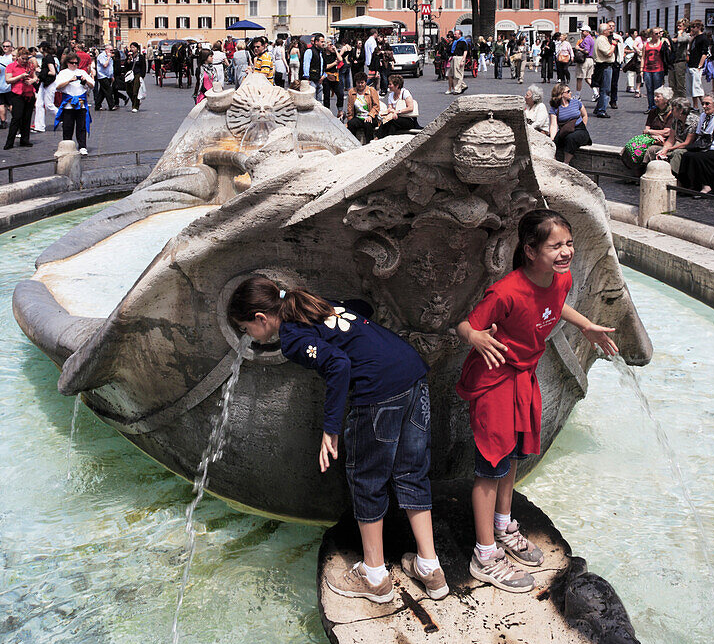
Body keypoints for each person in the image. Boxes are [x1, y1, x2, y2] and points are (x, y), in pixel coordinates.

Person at [229, 277, 447, 604]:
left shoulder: (291, 337)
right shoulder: (313, 304)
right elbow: (362, 309)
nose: (248, 336)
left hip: (379, 394)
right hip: (412, 374)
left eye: (246, 329)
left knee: (366, 479)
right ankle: (430, 568)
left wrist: (329, 428)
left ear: (261, 318)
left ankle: (374, 576)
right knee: (411, 472)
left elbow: (339, 364)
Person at [455, 209, 617, 592]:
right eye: (555, 245)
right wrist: (474, 337)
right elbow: (467, 324)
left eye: (569, 244)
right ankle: (485, 553)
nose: (565, 252)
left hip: (523, 378)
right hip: (495, 383)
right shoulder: (506, 291)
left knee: (513, 456)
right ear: (530, 250)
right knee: (491, 465)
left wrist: (586, 325)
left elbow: (553, 306)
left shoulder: (560, 279)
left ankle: (502, 524)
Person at [678, 92, 714, 195]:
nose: (704, 106)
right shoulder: (703, 116)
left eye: (707, 104)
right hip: (706, 146)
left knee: (699, 158)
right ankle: (688, 185)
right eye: (703, 103)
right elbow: (699, 134)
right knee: (687, 155)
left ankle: (706, 185)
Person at [622, 87, 674, 169]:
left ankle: (643, 170)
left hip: (664, 140)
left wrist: (650, 132)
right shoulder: (653, 111)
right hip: (652, 137)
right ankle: (633, 172)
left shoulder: (671, 113)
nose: (655, 98)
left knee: (650, 150)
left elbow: (667, 132)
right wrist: (652, 134)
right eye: (655, 96)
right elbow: (646, 128)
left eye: (658, 97)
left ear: (666, 99)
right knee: (631, 146)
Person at [54, 51, 94, 154]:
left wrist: (85, 81)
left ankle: (82, 146)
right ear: (67, 63)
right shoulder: (63, 73)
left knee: (81, 126)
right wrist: (70, 80)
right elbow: (58, 86)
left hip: (80, 103)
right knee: (68, 126)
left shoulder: (82, 72)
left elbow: (92, 85)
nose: (74, 65)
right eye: (72, 63)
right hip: (68, 104)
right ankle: (67, 146)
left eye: (76, 63)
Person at [654, 96, 699, 177]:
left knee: (677, 153)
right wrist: (664, 150)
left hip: (689, 147)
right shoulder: (676, 119)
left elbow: (687, 143)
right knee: (654, 150)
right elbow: (671, 139)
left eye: (673, 109)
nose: (671, 111)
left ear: (681, 111)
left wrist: (668, 149)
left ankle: (672, 178)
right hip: (677, 144)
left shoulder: (694, 122)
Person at [548, 82, 592, 162]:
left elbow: (585, 115)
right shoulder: (555, 108)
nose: (570, 93)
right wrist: (552, 139)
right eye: (568, 91)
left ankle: (566, 163)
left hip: (579, 129)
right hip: (565, 130)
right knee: (553, 142)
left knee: (571, 138)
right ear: (561, 94)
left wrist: (583, 126)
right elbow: (553, 125)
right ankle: (553, 161)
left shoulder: (576, 102)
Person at [3, 47, 37, 149]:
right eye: (23, 58)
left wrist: (32, 80)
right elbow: (8, 80)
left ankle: (25, 140)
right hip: (17, 94)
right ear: (18, 57)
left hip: (29, 94)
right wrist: (20, 76)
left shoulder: (30, 66)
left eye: (26, 59)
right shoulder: (11, 66)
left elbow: (35, 77)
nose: (25, 61)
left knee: (27, 118)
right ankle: (9, 142)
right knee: (16, 118)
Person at [346, 72, 380, 144]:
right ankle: (353, 144)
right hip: (358, 117)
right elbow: (350, 108)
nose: (360, 85)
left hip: (370, 117)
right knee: (351, 124)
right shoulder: (351, 92)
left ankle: (369, 144)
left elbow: (376, 106)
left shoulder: (371, 90)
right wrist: (349, 120)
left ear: (365, 82)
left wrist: (370, 115)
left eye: (362, 82)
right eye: (358, 83)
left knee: (368, 124)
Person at [33, 41, 58, 131]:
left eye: (40, 47)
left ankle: (63, 117)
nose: (39, 49)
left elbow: (52, 72)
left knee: (49, 105)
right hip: (44, 83)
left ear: (43, 48)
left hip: (49, 83)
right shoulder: (46, 58)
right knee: (39, 104)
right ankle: (39, 126)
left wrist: (41, 71)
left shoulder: (48, 58)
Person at [640, 27, 666, 112]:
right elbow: (643, 57)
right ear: (651, 35)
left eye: (659, 33)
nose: (658, 35)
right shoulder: (646, 45)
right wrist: (641, 69)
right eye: (656, 34)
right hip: (647, 69)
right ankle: (650, 106)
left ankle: (657, 107)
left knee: (657, 90)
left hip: (658, 69)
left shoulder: (662, 43)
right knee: (649, 89)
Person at [592, 22, 614, 117]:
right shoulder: (601, 40)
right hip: (604, 66)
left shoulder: (602, 39)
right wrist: (613, 45)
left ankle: (598, 108)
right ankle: (601, 110)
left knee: (603, 89)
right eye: (609, 29)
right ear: (605, 31)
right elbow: (608, 53)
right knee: (605, 89)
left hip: (604, 66)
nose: (611, 30)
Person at [686, 20, 709, 111]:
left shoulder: (703, 38)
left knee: (697, 88)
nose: (691, 29)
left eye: (693, 27)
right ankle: (695, 106)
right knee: (692, 88)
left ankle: (706, 105)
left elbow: (705, 53)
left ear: (699, 27)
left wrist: (700, 66)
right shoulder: (695, 38)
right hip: (691, 64)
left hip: (697, 66)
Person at [323, 40, 345, 118]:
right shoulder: (323, 55)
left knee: (340, 94)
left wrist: (335, 50)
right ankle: (327, 111)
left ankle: (340, 110)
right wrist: (334, 64)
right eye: (330, 45)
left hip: (335, 77)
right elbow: (325, 67)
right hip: (326, 76)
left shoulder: (333, 54)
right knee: (326, 96)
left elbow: (340, 59)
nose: (331, 46)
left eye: (332, 45)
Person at [125, 42, 147, 111]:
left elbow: (143, 66)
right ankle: (135, 102)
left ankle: (135, 106)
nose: (132, 49)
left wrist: (142, 76)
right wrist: (128, 60)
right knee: (128, 90)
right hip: (130, 75)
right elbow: (126, 65)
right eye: (131, 47)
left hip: (137, 74)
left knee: (135, 90)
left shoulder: (140, 57)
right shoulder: (129, 56)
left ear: (137, 49)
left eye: (134, 47)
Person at [302, 34, 325, 99]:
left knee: (320, 101)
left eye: (324, 42)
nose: (323, 44)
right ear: (316, 42)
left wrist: (323, 75)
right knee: (312, 100)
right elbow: (306, 65)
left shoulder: (321, 52)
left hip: (319, 80)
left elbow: (324, 65)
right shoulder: (309, 51)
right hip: (312, 80)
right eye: (322, 42)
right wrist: (307, 78)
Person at [574, 27, 595, 97]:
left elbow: (586, 50)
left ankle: (577, 95)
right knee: (588, 78)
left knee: (579, 78)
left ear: (587, 32)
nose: (581, 32)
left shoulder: (586, 40)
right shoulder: (592, 39)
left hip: (584, 60)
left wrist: (578, 48)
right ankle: (596, 92)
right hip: (590, 60)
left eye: (583, 31)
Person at [94, 43, 116, 111]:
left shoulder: (110, 57)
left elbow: (110, 67)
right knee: (108, 90)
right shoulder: (101, 56)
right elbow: (105, 65)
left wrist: (112, 76)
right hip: (102, 76)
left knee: (102, 92)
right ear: (106, 50)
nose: (112, 52)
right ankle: (111, 105)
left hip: (108, 76)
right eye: (111, 50)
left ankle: (97, 105)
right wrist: (109, 57)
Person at [447, 28, 468, 95]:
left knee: (458, 74)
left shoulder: (463, 42)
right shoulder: (455, 42)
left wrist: (463, 60)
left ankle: (457, 89)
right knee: (454, 74)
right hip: (454, 58)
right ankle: (463, 86)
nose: (454, 35)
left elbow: (465, 51)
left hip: (459, 58)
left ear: (460, 35)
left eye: (455, 34)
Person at [622, 29, 642, 97]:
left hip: (636, 58)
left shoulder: (637, 40)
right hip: (629, 57)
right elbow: (624, 49)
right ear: (632, 34)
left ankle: (629, 85)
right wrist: (632, 51)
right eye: (635, 33)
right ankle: (631, 86)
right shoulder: (628, 40)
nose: (636, 34)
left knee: (635, 71)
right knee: (630, 72)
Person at [0, 38, 13, 129]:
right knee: (10, 104)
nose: (5, 48)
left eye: (7, 46)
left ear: (11, 47)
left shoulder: (1, 59)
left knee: (2, 104)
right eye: (4, 46)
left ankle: (3, 122)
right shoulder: (13, 59)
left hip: (4, 85)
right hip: (9, 85)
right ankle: (15, 119)